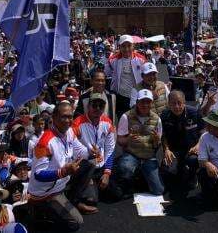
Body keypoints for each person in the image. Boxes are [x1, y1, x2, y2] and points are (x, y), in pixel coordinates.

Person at [26, 101, 95, 232]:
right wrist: (63, 172)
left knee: (91, 164)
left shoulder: (69, 132)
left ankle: (72, 201)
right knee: (76, 222)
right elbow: (38, 174)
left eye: (70, 116)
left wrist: (91, 152)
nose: (68, 120)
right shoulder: (44, 142)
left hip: (62, 182)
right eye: (64, 116)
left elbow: (80, 151)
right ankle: (42, 216)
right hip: (46, 192)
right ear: (54, 118)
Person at [72, 93, 120, 203]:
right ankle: (88, 184)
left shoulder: (107, 122)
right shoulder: (77, 124)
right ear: (88, 106)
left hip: (101, 165)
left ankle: (97, 184)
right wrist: (88, 153)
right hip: (86, 166)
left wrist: (107, 173)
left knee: (117, 195)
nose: (97, 109)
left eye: (101, 106)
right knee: (91, 200)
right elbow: (71, 151)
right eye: (94, 105)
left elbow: (110, 149)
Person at [116, 89, 164, 196]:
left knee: (158, 190)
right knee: (125, 168)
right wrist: (128, 139)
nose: (145, 105)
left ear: (151, 103)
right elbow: (119, 140)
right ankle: (130, 177)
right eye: (142, 101)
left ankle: (142, 175)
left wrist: (157, 140)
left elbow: (157, 145)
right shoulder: (126, 116)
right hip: (132, 154)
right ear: (137, 102)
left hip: (148, 156)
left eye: (148, 102)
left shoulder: (157, 119)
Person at [160, 90, 204, 198]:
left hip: (191, 149)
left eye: (179, 103)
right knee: (167, 169)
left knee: (193, 161)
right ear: (168, 103)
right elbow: (163, 135)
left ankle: (193, 176)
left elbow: (204, 132)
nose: (177, 106)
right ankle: (181, 169)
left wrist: (198, 145)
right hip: (174, 150)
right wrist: (166, 149)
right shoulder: (164, 115)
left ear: (184, 102)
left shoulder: (195, 112)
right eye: (173, 103)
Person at [104, 35, 146, 115]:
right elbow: (106, 73)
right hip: (120, 96)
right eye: (123, 46)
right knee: (122, 122)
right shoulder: (113, 60)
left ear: (133, 46)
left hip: (137, 96)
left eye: (129, 46)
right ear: (119, 47)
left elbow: (148, 75)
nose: (126, 49)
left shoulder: (141, 59)